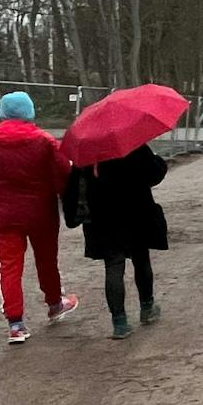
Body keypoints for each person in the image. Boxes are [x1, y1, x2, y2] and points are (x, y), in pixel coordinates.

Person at [0, 92, 78, 344]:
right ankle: (54, 303)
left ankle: (16, 324)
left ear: (3, 112)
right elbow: (62, 172)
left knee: (9, 266)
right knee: (47, 260)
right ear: (29, 111)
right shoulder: (45, 141)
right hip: (40, 212)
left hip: (4, 215)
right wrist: (61, 195)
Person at [66, 143, 168, 340]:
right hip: (136, 213)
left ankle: (120, 323)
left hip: (102, 219)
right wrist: (157, 160)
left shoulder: (87, 153)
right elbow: (155, 174)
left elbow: (74, 188)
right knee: (141, 259)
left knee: (113, 266)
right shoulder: (133, 146)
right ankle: (147, 307)